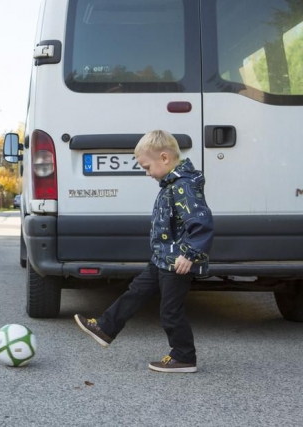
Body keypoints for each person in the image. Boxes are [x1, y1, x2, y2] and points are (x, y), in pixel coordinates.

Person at [74, 130, 214, 373]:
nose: (147, 174)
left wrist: (190, 254)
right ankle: (105, 328)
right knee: (135, 292)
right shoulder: (172, 183)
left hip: (177, 261)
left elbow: (201, 223)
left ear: (164, 158)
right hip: (162, 257)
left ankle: (184, 356)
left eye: (147, 167)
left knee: (170, 311)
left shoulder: (184, 186)